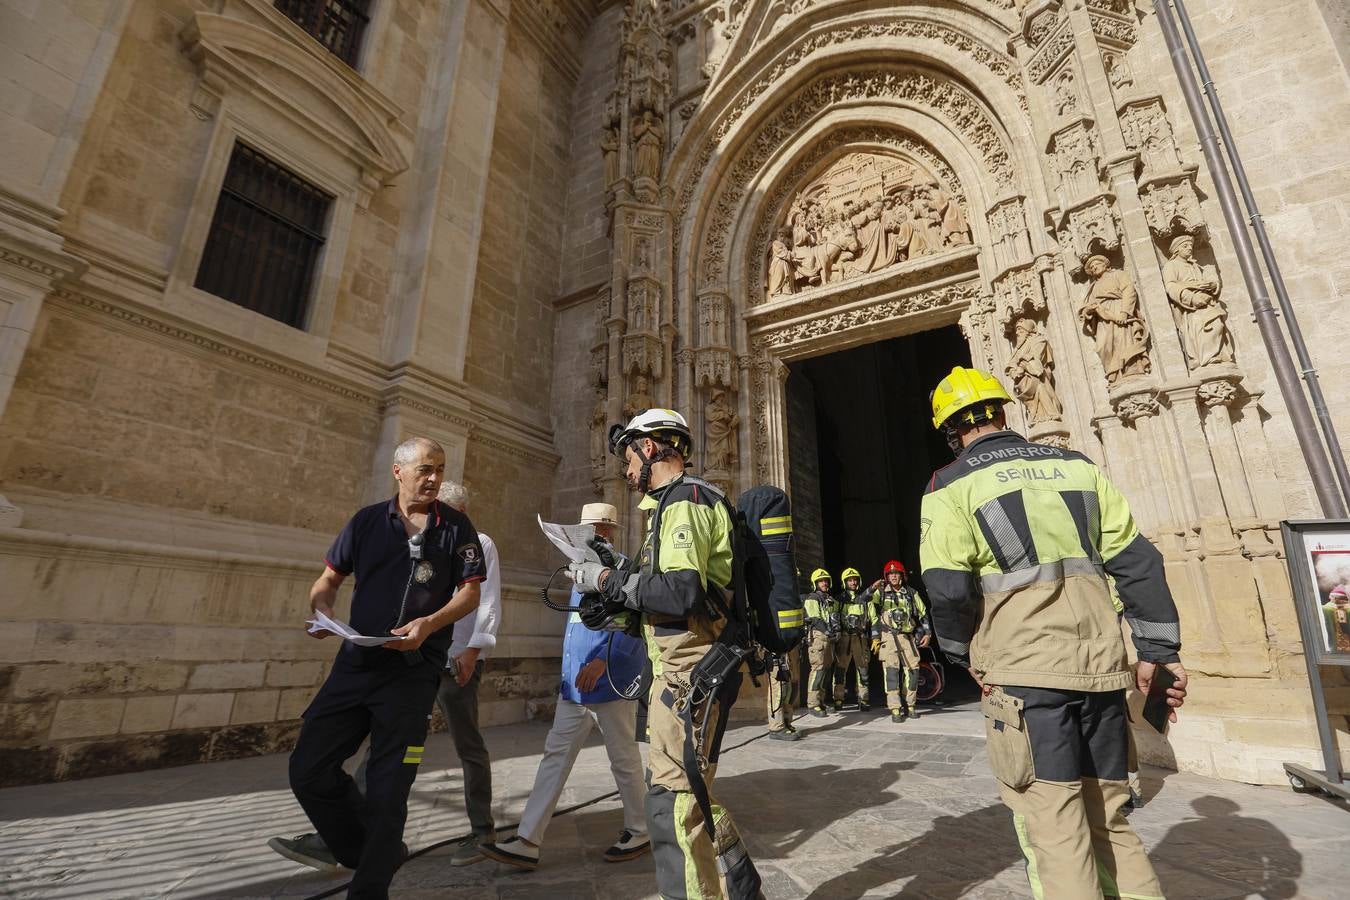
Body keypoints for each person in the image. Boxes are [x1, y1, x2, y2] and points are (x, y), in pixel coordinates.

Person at [920, 367, 1188, 900]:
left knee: (1055, 827)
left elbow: (949, 591)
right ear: (1001, 412)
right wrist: (1158, 651)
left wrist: (961, 654)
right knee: (1110, 819)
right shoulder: (1077, 466)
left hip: (1025, 676)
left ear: (951, 430)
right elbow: (1138, 563)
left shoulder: (948, 485)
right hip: (1102, 668)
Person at [269, 438, 485, 899]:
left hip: (412, 673)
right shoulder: (366, 522)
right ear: (398, 472)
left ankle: (369, 888)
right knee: (307, 769)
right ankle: (370, 850)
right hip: (356, 665)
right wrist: (321, 612)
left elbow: (470, 593)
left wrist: (430, 624)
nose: (433, 478)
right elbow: (328, 580)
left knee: (390, 789)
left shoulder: (457, 527)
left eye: (440, 469)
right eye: (425, 469)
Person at [568, 408, 761, 899]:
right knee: (684, 792)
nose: (623, 469)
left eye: (626, 455)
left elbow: (679, 595)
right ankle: (742, 884)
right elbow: (665, 601)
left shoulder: (686, 500)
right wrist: (611, 604)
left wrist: (606, 579)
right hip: (677, 670)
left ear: (648, 447)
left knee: (672, 804)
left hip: (690, 672)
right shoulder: (670, 506)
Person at [481, 503, 650, 870]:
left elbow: (635, 625)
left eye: (592, 528)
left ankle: (639, 829)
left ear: (605, 530)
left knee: (623, 759)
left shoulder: (621, 569)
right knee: (554, 758)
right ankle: (528, 839)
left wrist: (604, 661)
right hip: (574, 686)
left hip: (610, 683)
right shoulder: (579, 569)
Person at [431, 480, 501, 865]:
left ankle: (482, 830)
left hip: (458, 658)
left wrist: (474, 649)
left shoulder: (481, 544)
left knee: (468, 745)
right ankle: (357, 830)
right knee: (389, 739)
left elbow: (488, 603)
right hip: (419, 656)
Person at [862, 560, 929, 723]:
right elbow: (862, 600)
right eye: (890, 574)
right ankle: (895, 708)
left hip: (907, 636)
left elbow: (923, 613)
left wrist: (927, 632)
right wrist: (872, 588)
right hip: (888, 637)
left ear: (902, 575)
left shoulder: (911, 593)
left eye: (896, 573)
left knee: (913, 671)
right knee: (891, 672)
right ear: (886, 576)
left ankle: (911, 705)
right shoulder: (881, 592)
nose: (893, 576)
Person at [833, 567, 873, 712]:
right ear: (845, 582)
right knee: (840, 670)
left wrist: (875, 637)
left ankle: (864, 699)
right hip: (844, 638)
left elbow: (873, 619)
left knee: (863, 670)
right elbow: (833, 617)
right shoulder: (839, 599)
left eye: (855, 579)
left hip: (860, 638)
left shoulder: (865, 598)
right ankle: (838, 698)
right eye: (850, 580)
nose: (853, 582)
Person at [803, 568, 841, 717]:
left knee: (825, 671)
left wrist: (836, 629)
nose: (824, 583)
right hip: (818, 636)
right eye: (821, 581)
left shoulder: (829, 599)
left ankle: (821, 702)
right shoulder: (812, 597)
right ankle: (812, 704)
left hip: (829, 639)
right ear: (815, 583)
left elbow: (834, 617)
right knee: (817, 670)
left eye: (826, 581)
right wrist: (827, 631)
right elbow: (815, 618)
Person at [764, 646, 801, 741]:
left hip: (787, 655)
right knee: (778, 692)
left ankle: (785, 722)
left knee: (788, 691)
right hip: (775, 654)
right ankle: (776, 728)